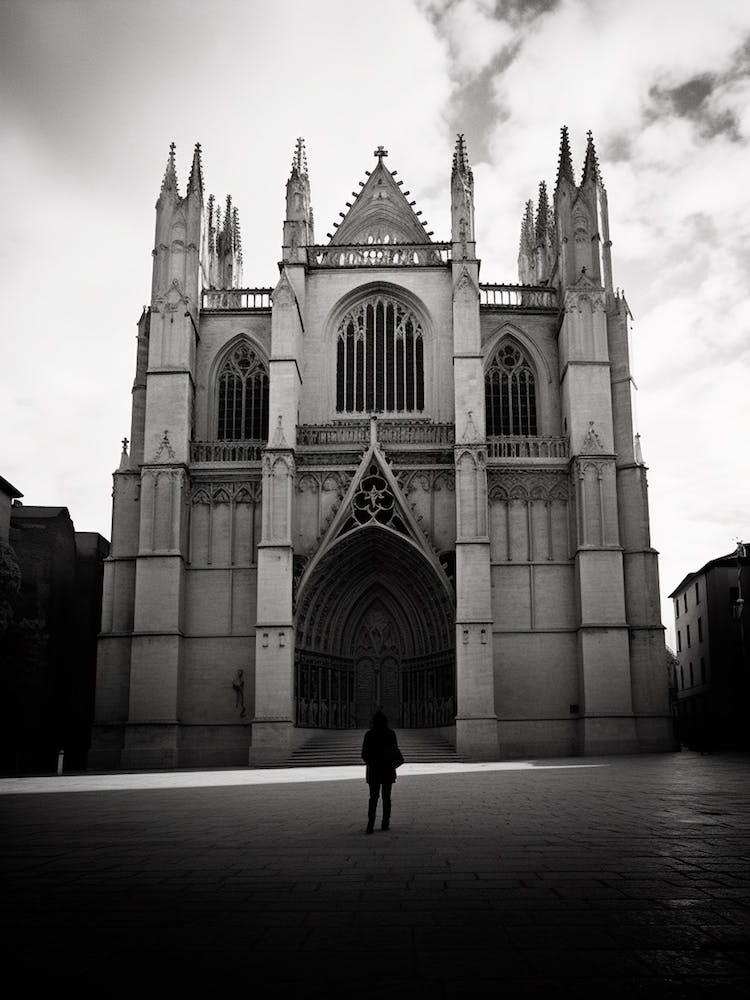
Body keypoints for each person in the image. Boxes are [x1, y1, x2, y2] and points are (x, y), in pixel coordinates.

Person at [361, 710, 404, 834]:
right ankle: (385, 823)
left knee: (373, 798)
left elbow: (364, 754)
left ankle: (370, 824)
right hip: (387, 770)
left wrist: (372, 763)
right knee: (387, 798)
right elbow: (395, 750)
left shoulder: (369, 734)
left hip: (374, 771)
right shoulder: (390, 734)